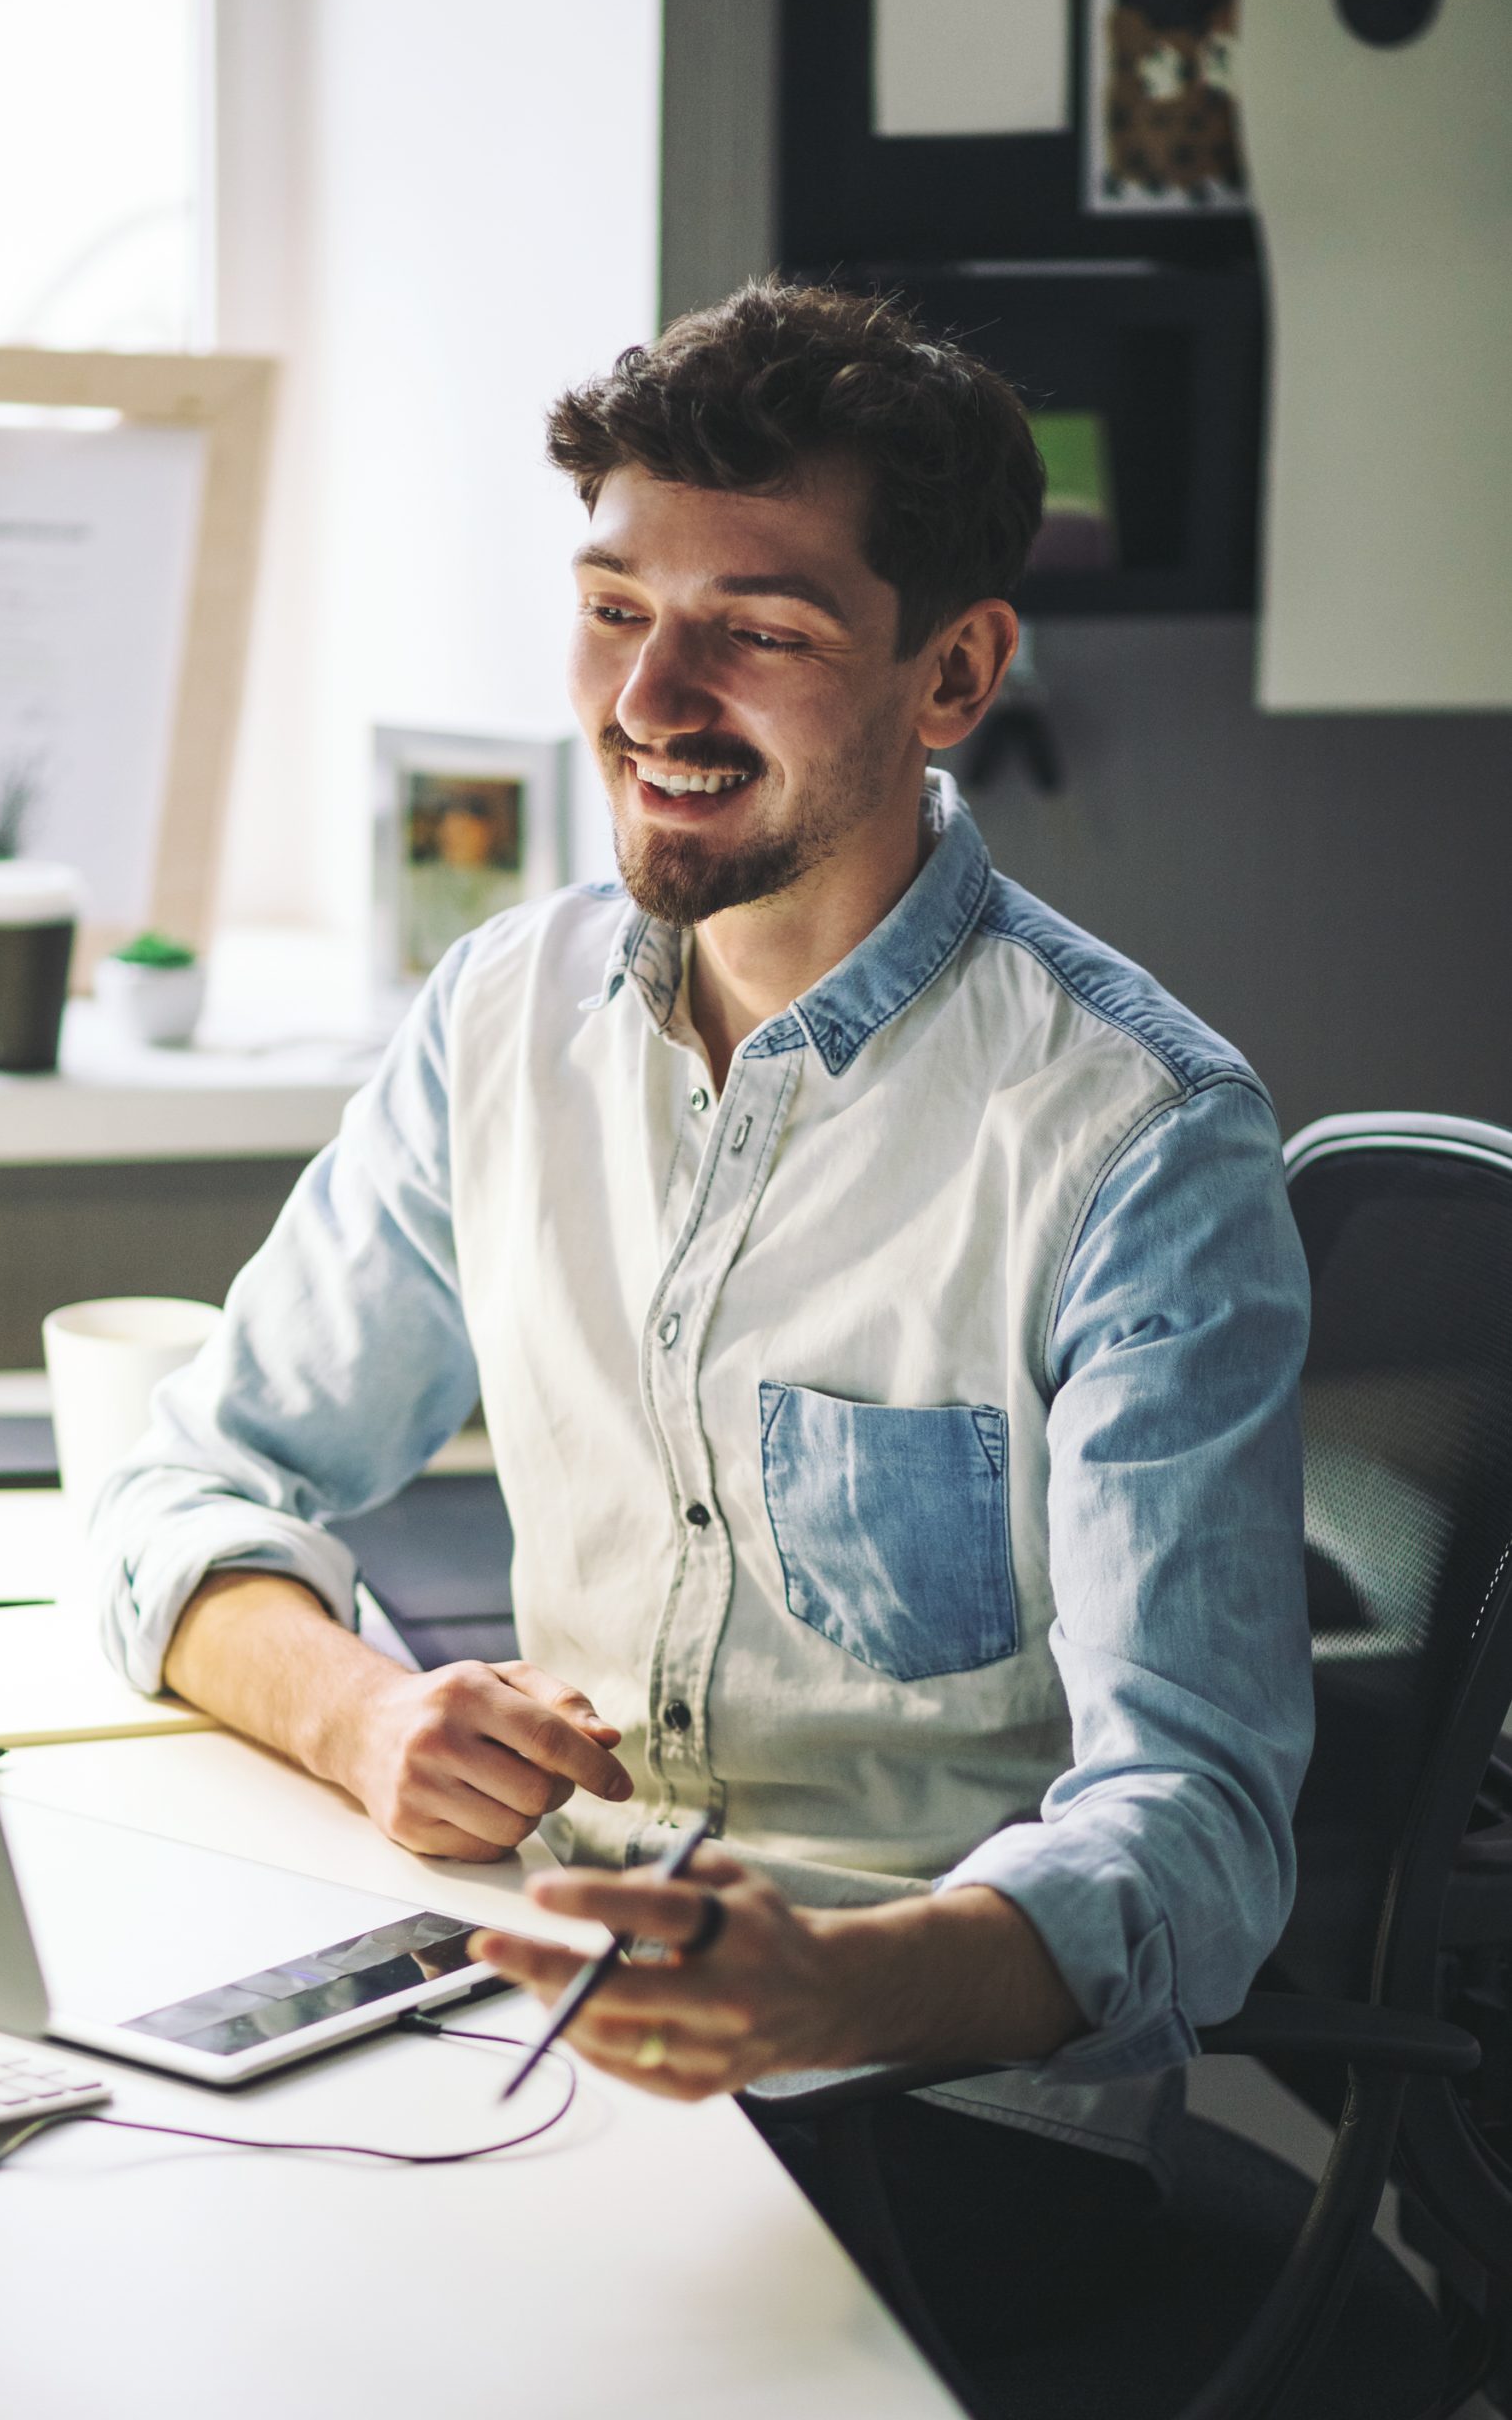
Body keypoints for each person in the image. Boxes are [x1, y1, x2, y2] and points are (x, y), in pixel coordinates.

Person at [96, 281, 1312, 2359]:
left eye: (753, 625)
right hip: (523, 2004)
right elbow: (194, 1475)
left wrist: (832, 1980)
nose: (648, 693)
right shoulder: (499, 1011)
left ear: (952, 671)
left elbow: (1190, 1830)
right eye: (607, 607)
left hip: (936, 2109)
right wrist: (367, 1715)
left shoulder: (1135, 1135)